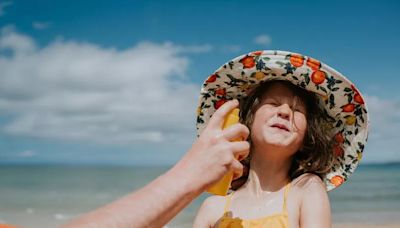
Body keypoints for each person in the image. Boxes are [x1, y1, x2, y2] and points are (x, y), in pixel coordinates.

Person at [193, 50, 369, 227]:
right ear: (246, 123)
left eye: (297, 110)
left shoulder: (306, 190)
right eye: (273, 103)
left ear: (307, 138)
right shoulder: (213, 209)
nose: (285, 112)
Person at [63, 99, 250, 227]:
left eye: (282, 104)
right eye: (272, 103)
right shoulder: (213, 207)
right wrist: (193, 172)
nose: (281, 110)